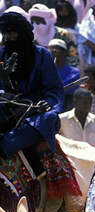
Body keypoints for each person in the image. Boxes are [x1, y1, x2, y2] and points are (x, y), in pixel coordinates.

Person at [0, 12, 64, 159]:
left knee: (47, 119)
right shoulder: (1, 54)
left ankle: (6, 145)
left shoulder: (42, 55)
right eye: (5, 34)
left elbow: (54, 89)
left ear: (22, 33)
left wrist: (47, 104)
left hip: (34, 112)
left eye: (12, 33)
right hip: (6, 109)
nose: (8, 38)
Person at [49, 38, 80, 112]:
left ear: (64, 52)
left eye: (56, 49)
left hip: (65, 109)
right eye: (50, 49)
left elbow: (66, 88)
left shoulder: (74, 72)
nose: (52, 51)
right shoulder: (44, 70)